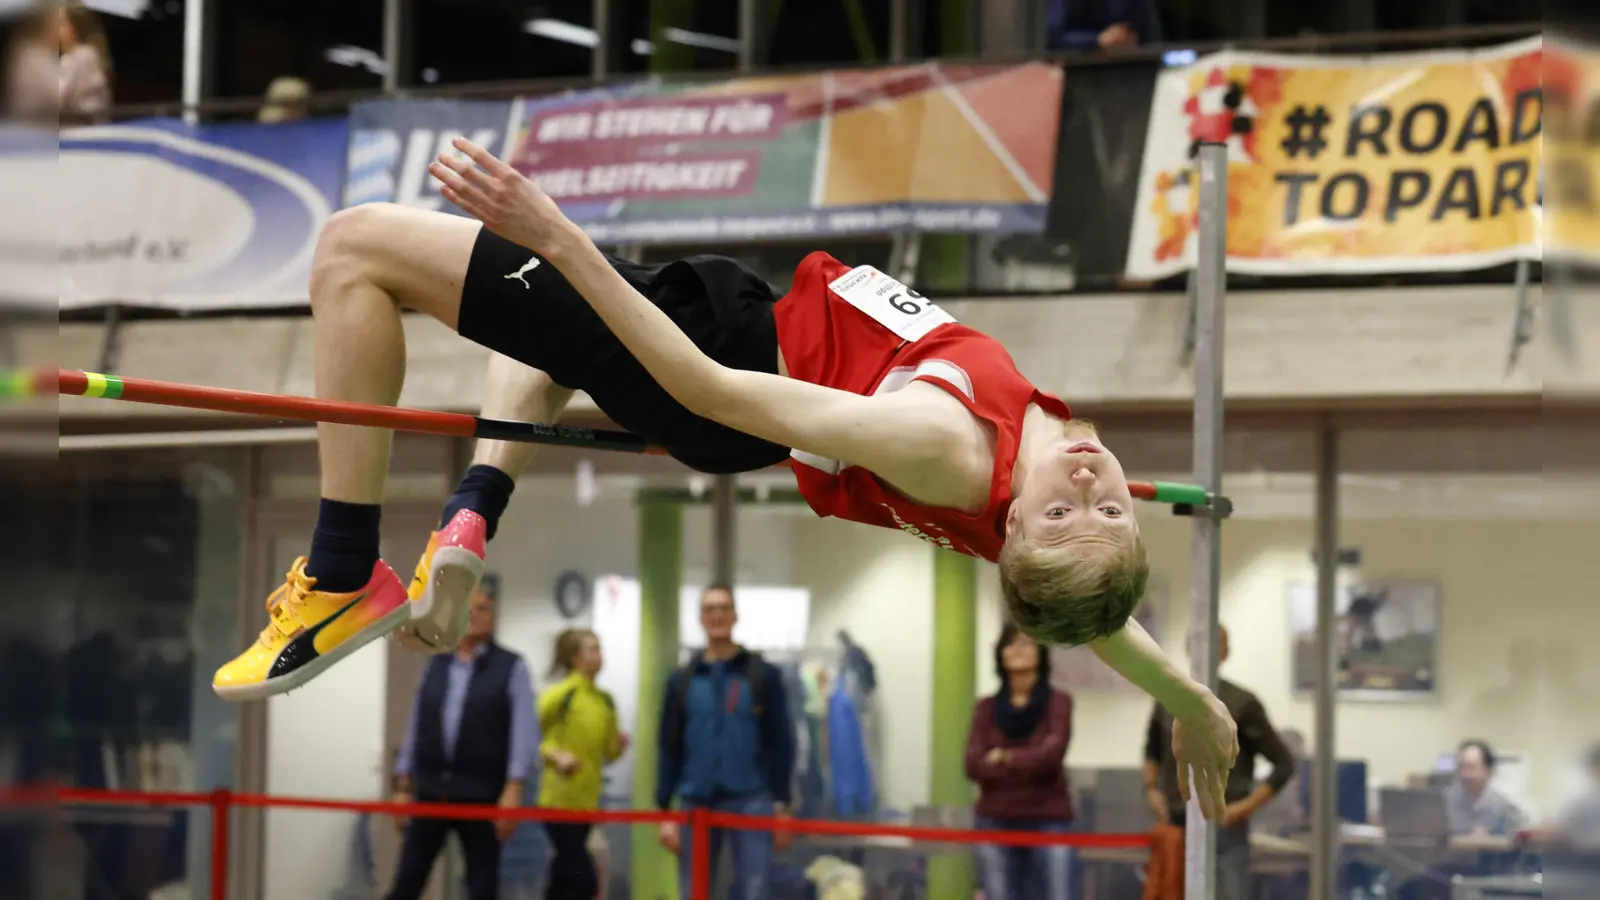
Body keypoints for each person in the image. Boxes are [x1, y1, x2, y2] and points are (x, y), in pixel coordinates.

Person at [209, 135, 1239, 815]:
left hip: (730, 358)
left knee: (353, 250)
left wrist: (557, 234)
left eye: (1067, 506)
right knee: (537, 349)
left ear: (1012, 531)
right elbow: (1104, 619)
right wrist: (1191, 699)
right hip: (755, 346)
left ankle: (343, 573)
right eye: (1108, 506)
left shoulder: (947, 444)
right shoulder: (1046, 541)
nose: (1097, 474)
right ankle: (471, 523)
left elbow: (704, 386)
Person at [388, 589, 536, 900]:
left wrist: (514, 788)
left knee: (482, 886)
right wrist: (403, 784)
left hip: (481, 794)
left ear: (493, 618)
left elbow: (523, 732)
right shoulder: (437, 663)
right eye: (468, 608)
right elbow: (417, 723)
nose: (474, 615)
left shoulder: (511, 667)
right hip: (430, 791)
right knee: (407, 881)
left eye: (482, 608)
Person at [656, 585, 795, 900]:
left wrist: (783, 805)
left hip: (752, 799)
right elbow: (668, 746)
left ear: (734, 616)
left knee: (754, 890)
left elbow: (781, 740)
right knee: (694, 890)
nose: (717, 615)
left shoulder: (763, 675)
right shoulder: (681, 681)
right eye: (709, 609)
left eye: (723, 607)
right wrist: (664, 809)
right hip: (695, 799)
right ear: (701, 618)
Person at [1143, 626, 1296, 900]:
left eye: (1214, 644)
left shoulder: (1242, 703)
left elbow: (1284, 764)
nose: (1206, 650)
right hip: (1177, 827)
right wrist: (1151, 789)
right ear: (1188, 648)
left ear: (1226, 651)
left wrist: (1244, 807)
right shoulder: (1168, 698)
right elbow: (1152, 751)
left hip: (1225, 830)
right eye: (1198, 642)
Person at [964, 624, 1076, 900]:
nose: (1018, 650)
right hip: (994, 820)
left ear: (1041, 654)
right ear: (1001, 655)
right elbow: (972, 764)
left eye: (1027, 643)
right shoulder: (986, 708)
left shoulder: (1058, 703)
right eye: (1010, 643)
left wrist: (1003, 756)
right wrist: (1027, 760)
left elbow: (1050, 757)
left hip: (1049, 820)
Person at [537, 629, 628, 900]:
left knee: (563, 876)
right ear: (576, 657)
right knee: (583, 879)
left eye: (600, 649)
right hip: (558, 800)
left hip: (587, 801)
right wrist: (555, 755)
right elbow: (530, 735)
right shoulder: (561, 695)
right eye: (593, 649)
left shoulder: (605, 702)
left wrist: (620, 746)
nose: (600, 655)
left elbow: (609, 752)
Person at [1045, 0, 1162, 53]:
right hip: (1080, 67)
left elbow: (1153, 37)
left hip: (1130, 67)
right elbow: (1055, 34)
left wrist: (1134, 39)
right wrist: (1098, 40)